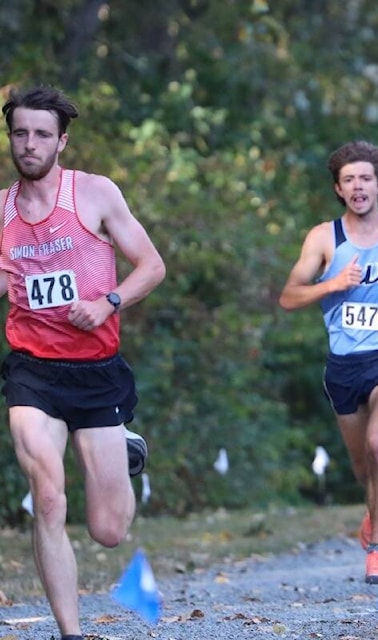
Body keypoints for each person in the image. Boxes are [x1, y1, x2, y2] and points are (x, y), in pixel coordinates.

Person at [0, 86, 166, 640]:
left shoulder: (94, 194)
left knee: (109, 531)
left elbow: (151, 266)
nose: (30, 144)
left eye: (42, 134)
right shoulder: (0, 209)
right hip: (32, 371)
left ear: (61, 141)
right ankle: (70, 633)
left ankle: (124, 442)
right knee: (47, 495)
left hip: (96, 371)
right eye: (20, 132)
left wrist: (108, 302)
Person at [279, 140, 378, 585]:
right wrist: (332, 284)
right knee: (363, 464)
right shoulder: (324, 238)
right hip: (344, 363)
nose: (358, 187)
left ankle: (377, 548)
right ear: (339, 190)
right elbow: (288, 297)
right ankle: (372, 513)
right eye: (349, 180)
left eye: (365, 179)